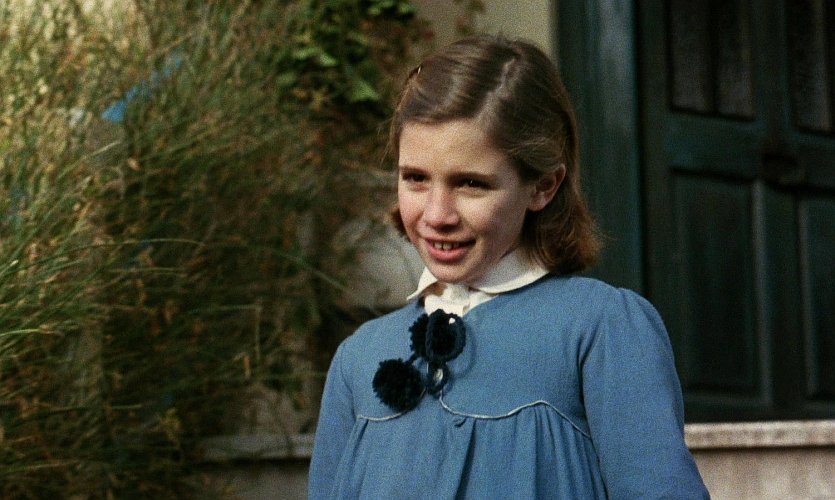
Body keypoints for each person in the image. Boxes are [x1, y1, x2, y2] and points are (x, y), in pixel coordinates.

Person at [309, 34, 709, 499]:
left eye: (471, 184)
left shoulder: (597, 328)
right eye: (415, 178)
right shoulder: (359, 357)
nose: (437, 214)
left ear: (542, 187)